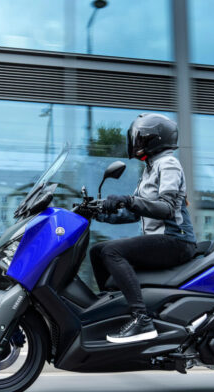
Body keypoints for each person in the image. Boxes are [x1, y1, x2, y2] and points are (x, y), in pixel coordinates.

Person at [90, 113, 196, 344]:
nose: (136, 142)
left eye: (140, 137)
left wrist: (128, 200)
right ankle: (112, 308)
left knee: (111, 251)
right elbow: (135, 212)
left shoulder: (168, 164)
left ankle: (141, 319)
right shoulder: (150, 168)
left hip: (176, 240)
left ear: (155, 138)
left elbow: (166, 208)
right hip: (161, 240)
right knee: (97, 251)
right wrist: (100, 214)